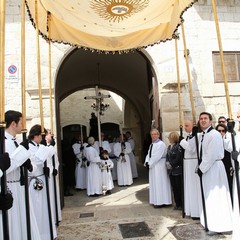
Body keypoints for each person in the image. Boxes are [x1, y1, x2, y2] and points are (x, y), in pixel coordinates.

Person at [1, 110, 41, 240]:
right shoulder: (3, 143)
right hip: (9, 187)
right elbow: (5, 168)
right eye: (20, 121)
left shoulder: (18, 141)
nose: (22, 125)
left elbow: (32, 165)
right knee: (13, 224)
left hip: (21, 187)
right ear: (13, 123)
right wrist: (21, 154)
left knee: (25, 222)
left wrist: (29, 166)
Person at [192, 112, 233, 235]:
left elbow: (211, 155)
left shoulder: (214, 135)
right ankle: (210, 222)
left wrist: (201, 168)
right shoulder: (204, 134)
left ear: (211, 121)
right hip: (208, 168)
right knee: (209, 196)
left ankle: (218, 225)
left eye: (205, 118)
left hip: (214, 167)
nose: (203, 120)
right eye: (201, 119)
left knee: (215, 195)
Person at [28, 124, 57, 240]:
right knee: (37, 210)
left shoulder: (38, 146)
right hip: (34, 183)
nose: (43, 138)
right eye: (42, 135)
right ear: (36, 135)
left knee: (44, 210)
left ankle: (46, 234)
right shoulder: (28, 147)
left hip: (42, 179)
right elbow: (37, 159)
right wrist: (50, 147)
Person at [144, 129, 172, 208]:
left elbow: (157, 156)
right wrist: (146, 161)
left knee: (160, 183)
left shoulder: (161, 144)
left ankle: (161, 201)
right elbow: (149, 154)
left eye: (155, 134)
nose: (153, 136)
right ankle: (155, 200)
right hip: (153, 166)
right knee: (155, 183)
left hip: (159, 166)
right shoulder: (152, 144)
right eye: (152, 134)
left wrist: (150, 163)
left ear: (158, 135)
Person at [180, 120, 201, 219]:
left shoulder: (195, 136)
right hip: (187, 162)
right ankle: (190, 209)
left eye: (187, 125)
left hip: (193, 162)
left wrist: (183, 142)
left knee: (193, 187)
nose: (185, 127)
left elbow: (192, 150)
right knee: (189, 187)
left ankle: (196, 211)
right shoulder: (189, 136)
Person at [45, 129, 62, 225]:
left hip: (53, 175)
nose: (52, 136)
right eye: (50, 134)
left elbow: (55, 160)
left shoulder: (51, 147)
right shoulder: (44, 147)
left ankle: (56, 216)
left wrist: (56, 168)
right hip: (48, 176)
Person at [215, 123, 234, 201]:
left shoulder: (227, 141)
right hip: (217, 166)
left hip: (227, 165)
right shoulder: (214, 142)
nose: (221, 132)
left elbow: (230, 149)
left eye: (223, 131)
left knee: (228, 183)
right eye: (219, 131)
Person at [166, 131, 182, 210]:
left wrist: (171, 165)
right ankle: (177, 203)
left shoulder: (178, 147)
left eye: (169, 137)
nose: (168, 139)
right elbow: (167, 157)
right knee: (174, 188)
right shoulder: (169, 147)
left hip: (177, 170)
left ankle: (181, 204)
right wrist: (167, 164)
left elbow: (178, 158)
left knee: (179, 188)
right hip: (171, 171)